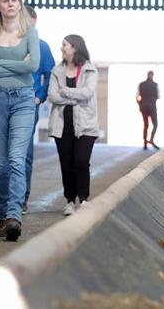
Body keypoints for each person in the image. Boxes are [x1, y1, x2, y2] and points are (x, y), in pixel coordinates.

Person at [0, 0, 39, 242]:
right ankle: (3, 215)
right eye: (5, 1)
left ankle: (14, 216)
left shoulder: (30, 33)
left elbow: (33, 66)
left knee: (16, 159)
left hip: (23, 101)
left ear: (20, 5)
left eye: (15, 0)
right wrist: (18, 66)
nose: (11, 4)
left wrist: (0, 64)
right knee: (1, 165)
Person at [47, 35, 99, 216]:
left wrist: (66, 91)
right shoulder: (56, 71)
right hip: (62, 125)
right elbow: (52, 96)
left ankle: (84, 199)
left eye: (64, 45)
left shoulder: (89, 70)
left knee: (81, 162)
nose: (61, 48)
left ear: (75, 47)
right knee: (66, 164)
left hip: (85, 124)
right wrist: (73, 97)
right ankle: (70, 200)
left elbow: (87, 93)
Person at [22, 5, 55, 214]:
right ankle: (7, 198)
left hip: (27, 104)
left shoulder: (41, 47)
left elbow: (51, 74)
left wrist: (40, 96)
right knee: (4, 157)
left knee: (23, 153)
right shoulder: (3, 42)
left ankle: (20, 199)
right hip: (2, 103)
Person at [137, 70, 160, 149]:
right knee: (155, 124)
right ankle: (151, 139)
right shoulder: (155, 85)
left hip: (143, 107)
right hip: (152, 107)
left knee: (146, 125)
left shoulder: (141, 84)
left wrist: (140, 104)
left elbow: (137, 96)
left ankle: (145, 143)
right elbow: (158, 96)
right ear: (152, 75)